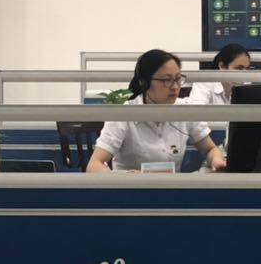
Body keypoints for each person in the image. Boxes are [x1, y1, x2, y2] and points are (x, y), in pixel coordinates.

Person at [88, 49, 227, 173]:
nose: (175, 87)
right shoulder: (124, 114)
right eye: (167, 80)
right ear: (144, 82)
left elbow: (210, 149)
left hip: (171, 190)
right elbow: (94, 165)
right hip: (132, 190)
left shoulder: (185, 110)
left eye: (178, 79)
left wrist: (216, 160)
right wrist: (126, 178)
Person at [186, 43, 252, 107]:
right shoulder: (204, 83)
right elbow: (198, 110)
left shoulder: (247, 84)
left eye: (247, 69)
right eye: (239, 68)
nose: (244, 74)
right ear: (222, 66)